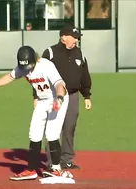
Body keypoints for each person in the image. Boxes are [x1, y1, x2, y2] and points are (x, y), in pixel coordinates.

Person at [0, 46, 73, 181]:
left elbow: (59, 85)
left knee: (52, 134)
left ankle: (56, 169)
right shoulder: (23, 67)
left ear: (35, 59)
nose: (27, 70)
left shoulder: (46, 66)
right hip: (42, 100)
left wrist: (59, 99)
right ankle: (31, 170)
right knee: (34, 133)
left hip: (56, 98)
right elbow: (9, 77)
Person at [35, 24, 92, 176]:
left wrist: (86, 95)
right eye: (74, 37)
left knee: (69, 127)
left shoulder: (79, 53)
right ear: (63, 37)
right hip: (53, 95)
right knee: (53, 128)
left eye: (77, 37)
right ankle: (51, 161)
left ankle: (66, 159)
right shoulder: (51, 52)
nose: (76, 40)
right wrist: (36, 96)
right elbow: (38, 74)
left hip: (72, 95)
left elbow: (84, 75)